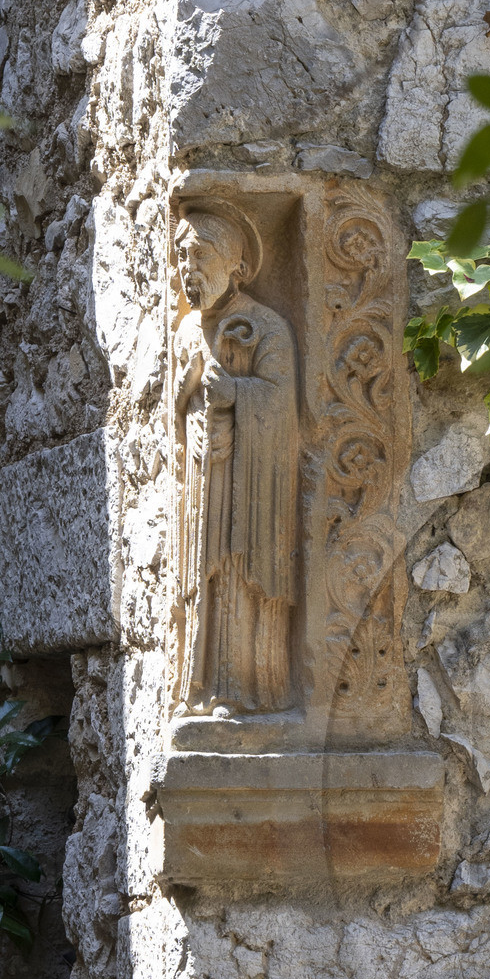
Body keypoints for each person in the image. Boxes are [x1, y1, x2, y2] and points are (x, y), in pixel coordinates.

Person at [172, 204, 300, 720]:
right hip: (205, 482)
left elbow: (283, 405)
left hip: (251, 490)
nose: (189, 269)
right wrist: (184, 394)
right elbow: (175, 413)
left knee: (240, 576)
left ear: (235, 265)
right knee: (205, 575)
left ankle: (243, 692)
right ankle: (199, 687)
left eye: (201, 255)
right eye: (182, 257)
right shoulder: (187, 332)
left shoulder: (266, 327)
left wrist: (235, 393)